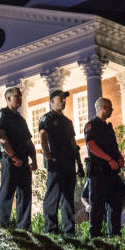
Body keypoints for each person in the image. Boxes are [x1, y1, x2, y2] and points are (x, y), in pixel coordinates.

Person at [39, 89, 84, 235]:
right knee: (53, 195)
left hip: (69, 162)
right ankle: (51, 229)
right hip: (55, 161)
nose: (64, 101)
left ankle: (69, 231)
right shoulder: (46, 118)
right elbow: (43, 139)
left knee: (68, 197)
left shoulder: (67, 122)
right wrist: (48, 158)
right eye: (61, 98)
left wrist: (79, 163)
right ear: (52, 101)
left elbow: (73, 142)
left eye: (65, 99)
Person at [0, 86, 37, 229]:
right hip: (9, 160)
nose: (20, 99)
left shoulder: (20, 119)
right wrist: (13, 156)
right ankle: (1, 226)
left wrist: (34, 160)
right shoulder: (1, 115)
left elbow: (28, 142)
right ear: (8, 98)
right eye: (17, 96)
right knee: (7, 192)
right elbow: (1, 138)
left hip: (23, 160)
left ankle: (24, 228)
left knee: (25, 195)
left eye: (21, 96)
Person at [85, 97, 125, 237]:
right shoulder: (92, 125)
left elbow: (114, 148)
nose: (112, 110)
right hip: (99, 172)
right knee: (97, 207)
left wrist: (119, 158)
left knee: (115, 203)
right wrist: (109, 159)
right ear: (103, 108)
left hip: (111, 172)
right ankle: (95, 237)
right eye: (110, 107)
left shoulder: (109, 128)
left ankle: (114, 235)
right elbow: (91, 146)